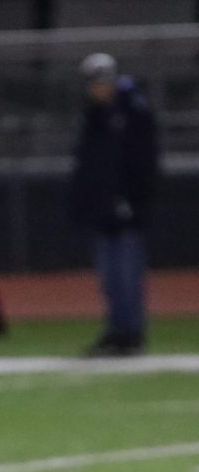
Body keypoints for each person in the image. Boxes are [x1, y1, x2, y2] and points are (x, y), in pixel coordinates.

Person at [69, 52, 159, 357]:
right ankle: (116, 331)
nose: (97, 88)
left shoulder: (133, 111)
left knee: (126, 274)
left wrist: (132, 198)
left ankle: (131, 334)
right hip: (104, 209)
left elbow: (144, 161)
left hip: (128, 210)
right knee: (109, 277)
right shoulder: (95, 115)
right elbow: (89, 165)